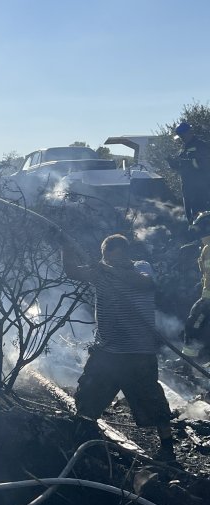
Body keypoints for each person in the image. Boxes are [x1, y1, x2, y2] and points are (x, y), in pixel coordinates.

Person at [61, 234, 176, 462]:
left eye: (115, 256)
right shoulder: (100, 273)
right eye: (108, 258)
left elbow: (144, 283)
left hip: (139, 352)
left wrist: (110, 270)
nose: (111, 260)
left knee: (153, 401)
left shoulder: (141, 267)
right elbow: (73, 271)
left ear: (125, 252)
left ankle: (168, 449)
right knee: (88, 396)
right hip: (108, 351)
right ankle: (85, 442)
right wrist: (65, 246)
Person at [168, 122, 210, 223]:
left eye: (182, 135)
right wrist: (171, 162)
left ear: (189, 133)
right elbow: (180, 167)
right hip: (187, 187)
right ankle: (193, 232)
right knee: (190, 214)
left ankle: (203, 235)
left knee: (202, 215)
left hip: (200, 188)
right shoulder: (183, 148)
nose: (181, 138)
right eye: (180, 136)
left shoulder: (201, 145)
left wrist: (188, 162)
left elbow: (204, 164)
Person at [182, 211, 210, 364]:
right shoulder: (206, 248)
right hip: (207, 296)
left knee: (193, 326)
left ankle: (188, 363)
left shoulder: (208, 248)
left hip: (208, 299)